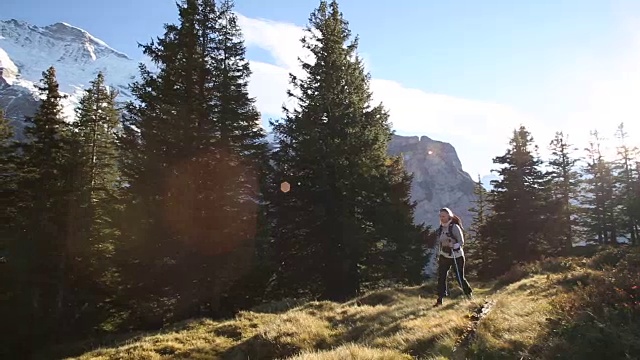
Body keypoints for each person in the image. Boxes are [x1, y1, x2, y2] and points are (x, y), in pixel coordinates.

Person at [434, 207, 472, 306]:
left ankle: (468, 295)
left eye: (443, 216)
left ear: (449, 216)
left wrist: (453, 245)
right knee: (441, 277)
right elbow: (440, 243)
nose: (441, 218)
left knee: (459, 277)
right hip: (444, 255)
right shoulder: (440, 228)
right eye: (440, 216)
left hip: (457, 255)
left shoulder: (454, 227)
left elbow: (461, 242)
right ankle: (440, 299)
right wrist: (440, 252)